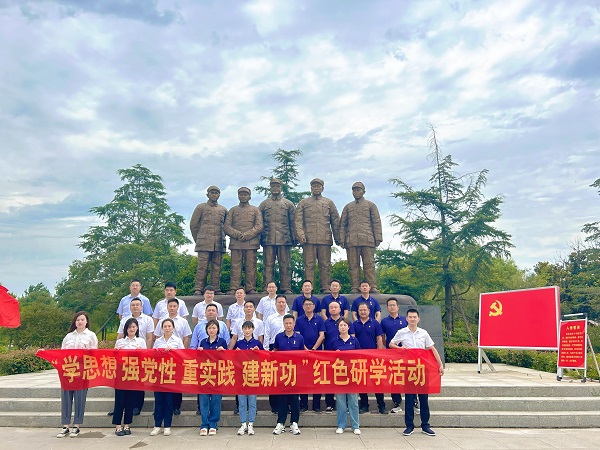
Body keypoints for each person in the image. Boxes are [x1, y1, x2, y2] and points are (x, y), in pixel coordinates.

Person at [390, 308, 445, 437]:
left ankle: (425, 425)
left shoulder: (423, 333)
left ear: (418, 319)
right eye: (410, 317)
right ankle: (409, 426)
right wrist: (400, 348)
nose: (412, 319)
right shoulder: (401, 332)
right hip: (409, 369)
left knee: (423, 398)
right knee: (409, 398)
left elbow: (432, 349)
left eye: (414, 317)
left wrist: (440, 364)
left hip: (422, 369)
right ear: (406, 319)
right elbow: (391, 344)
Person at [294, 178, 341, 293]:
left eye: (318, 186)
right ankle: (308, 289)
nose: (316, 188)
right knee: (308, 265)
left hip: (324, 239)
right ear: (311, 188)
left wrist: (338, 238)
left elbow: (335, 221)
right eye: (314, 186)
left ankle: (325, 287)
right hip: (308, 239)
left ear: (322, 188)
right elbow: (298, 221)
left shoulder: (328, 203)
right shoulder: (304, 203)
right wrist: (300, 235)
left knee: (325, 265)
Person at [57, 311, 98, 438]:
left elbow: (95, 354)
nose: (80, 322)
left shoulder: (91, 335)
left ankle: (77, 425)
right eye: (78, 320)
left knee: (80, 399)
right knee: (66, 398)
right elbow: (62, 353)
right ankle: (65, 426)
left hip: (82, 371)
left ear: (86, 321)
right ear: (75, 322)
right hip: (68, 371)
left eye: (82, 320)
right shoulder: (69, 336)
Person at [113, 297, 154, 416]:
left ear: (141, 307)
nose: (135, 307)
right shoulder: (124, 320)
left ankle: (137, 406)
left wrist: (146, 353)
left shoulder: (148, 319)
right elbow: (120, 335)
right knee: (122, 385)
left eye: (137, 305)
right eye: (133, 305)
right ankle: (119, 408)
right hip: (124, 361)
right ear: (130, 307)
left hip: (139, 355)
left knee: (138, 383)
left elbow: (149, 337)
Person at [339, 182, 383, 293]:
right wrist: (341, 239)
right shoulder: (348, 207)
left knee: (369, 264)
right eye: (354, 190)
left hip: (367, 239)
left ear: (364, 191)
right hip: (351, 240)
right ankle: (355, 286)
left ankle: (372, 286)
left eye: (358, 190)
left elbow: (376, 222)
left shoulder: (371, 205)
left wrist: (378, 237)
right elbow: (342, 224)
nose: (356, 192)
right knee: (353, 265)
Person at [154, 298, 192, 415]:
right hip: (161, 366)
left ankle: (176, 406)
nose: (172, 308)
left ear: (178, 307)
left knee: (176, 385)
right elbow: (156, 339)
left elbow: (186, 338)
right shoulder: (161, 321)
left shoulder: (183, 321)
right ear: (167, 307)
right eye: (170, 306)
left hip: (175, 363)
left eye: (174, 306)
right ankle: (160, 409)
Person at [190, 303, 230, 415]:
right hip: (203, 365)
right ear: (205, 312)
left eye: (213, 310)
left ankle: (214, 415)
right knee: (202, 389)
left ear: (217, 313)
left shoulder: (222, 325)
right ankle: (202, 410)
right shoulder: (198, 326)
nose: (211, 312)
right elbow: (193, 344)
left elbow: (226, 343)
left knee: (216, 391)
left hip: (217, 366)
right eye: (209, 310)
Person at [259, 178, 296, 294]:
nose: (275, 188)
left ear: (281, 188)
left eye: (277, 186)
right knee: (268, 265)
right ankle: (266, 288)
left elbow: (293, 223)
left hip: (284, 239)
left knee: (285, 265)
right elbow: (259, 223)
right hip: (268, 239)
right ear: (270, 188)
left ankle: (286, 287)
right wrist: (259, 239)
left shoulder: (288, 204)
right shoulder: (264, 204)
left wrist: (294, 238)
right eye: (273, 186)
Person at [224, 187, 263, 294]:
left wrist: (247, 235)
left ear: (249, 197)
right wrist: (237, 234)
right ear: (238, 196)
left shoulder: (255, 210)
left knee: (251, 267)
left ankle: (251, 288)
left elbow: (259, 226)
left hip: (251, 243)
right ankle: (234, 288)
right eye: (241, 194)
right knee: (235, 267)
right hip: (236, 243)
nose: (243, 196)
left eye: (245, 194)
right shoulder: (233, 210)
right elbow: (226, 226)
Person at [190, 185, 227, 295]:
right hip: (203, 242)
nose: (214, 195)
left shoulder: (223, 210)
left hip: (219, 243)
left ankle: (215, 288)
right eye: (212, 193)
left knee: (217, 267)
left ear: (219, 195)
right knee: (202, 267)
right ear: (207, 194)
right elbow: (193, 225)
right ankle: (199, 288)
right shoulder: (200, 207)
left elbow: (227, 226)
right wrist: (198, 239)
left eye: (216, 193)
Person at [150, 318, 185, 437]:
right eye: (165, 326)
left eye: (169, 326)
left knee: (169, 401)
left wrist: (173, 351)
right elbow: (152, 357)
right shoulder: (158, 341)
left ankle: (167, 426)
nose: (167, 328)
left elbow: (183, 356)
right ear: (162, 328)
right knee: (158, 401)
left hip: (171, 375)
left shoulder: (177, 340)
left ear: (173, 327)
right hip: (159, 375)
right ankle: (157, 425)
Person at [113, 317, 146, 436]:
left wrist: (141, 352)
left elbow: (145, 358)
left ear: (137, 328)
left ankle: (127, 424)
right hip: (121, 374)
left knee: (130, 400)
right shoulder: (120, 342)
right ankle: (118, 426)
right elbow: (114, 359)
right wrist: (116, 351)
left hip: (133, 374)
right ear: (125, 329)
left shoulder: (141, 342)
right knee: (119, 400)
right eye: (129, 327)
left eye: (133, 327)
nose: (131, 329)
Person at [272, 314, 304, 436]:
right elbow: (275, 352)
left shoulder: (299, 338)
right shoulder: (279, 337)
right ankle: (280, 423)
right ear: (283, 324)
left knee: (294, 399)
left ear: (294, 324)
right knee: (282, 399)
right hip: (282, 373)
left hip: (295, 373)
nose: (288, 325)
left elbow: (302, 355)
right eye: (286, 323)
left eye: (290, 323)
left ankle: (294, 423)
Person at [353, 302, 387, 414]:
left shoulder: (375, 323)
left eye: (365, 310)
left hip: (373, 357)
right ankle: (364, 405)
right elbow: (353, 339)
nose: (363, 312)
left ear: (369, 311)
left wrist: (379, 352)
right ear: (358, 312)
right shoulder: (354, 324)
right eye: (360, 310)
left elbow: (379, 338)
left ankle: (381, 405)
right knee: (362, 381)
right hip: (359, 357)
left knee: (377, 381)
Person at [294, 297, 325, 412]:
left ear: (314, 306)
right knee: (304, 379)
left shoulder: (320, 319)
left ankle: (316, 405)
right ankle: (304, 404)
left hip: (317, 353)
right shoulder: (299, 320)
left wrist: (314, 349)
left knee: (317, 379)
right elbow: (298, 336)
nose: (308, 306)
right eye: (306, 304)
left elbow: (322, 335)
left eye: (310, 304)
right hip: (303, 353)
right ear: (303, 307)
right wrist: (306, 349)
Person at [323, 301, 355, 413]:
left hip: (349, 364)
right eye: (331, 307)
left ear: (340, 309)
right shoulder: (326, 323)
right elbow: (323, 337)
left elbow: (357, 350)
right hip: (332, 357)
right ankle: (330, 404)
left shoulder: (347, 323)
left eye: (335, 307)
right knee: (331, 381)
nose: (333, 309)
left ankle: (349, 405)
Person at [197, 319, 227, 435]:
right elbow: (199, 359)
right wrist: (199, 352)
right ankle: (204, 424)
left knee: (215, 400)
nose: (211, 330)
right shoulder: (203, 342)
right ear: (206, 330)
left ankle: (213, 424)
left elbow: (226, 359)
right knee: (204, 400)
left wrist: (223, 351)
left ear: (217, 329)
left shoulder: (222, 342)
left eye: (214, 328)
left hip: (217, 375)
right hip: (204, 375)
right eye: (209, 328)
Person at [233, 320, 264, 435]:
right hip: (240, 376)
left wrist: (258, 352)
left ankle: (251, 424)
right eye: (245, 328)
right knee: (241, 402)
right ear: (242, 330)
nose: (247, 331)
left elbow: (264, 358)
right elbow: (232, 359)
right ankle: (243, 424)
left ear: (253, 329)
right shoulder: (238, 343)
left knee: (252, 401)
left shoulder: (257, 343)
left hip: (253, 375)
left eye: (249, 328)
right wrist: (235, 353)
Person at [333, 317, 361, 435]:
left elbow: (360, 356)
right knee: (340, 402)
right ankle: (341, 425)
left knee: (353, 401)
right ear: (338, 327)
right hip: (339, 375)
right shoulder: (334, 341)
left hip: (352, 374)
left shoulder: (354, 340)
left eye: (345, 325)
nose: (343, 327)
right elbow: (328, 358)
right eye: (341, 325)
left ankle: (355, 426)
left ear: (349, 327)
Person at [380, 297, 408, 413]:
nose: (392, 307)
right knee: (394, 377)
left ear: (398, 307)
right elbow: (382, 337)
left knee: (408, 376)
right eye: (390, 305)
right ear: (387, 308)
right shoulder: (384, 321)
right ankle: (397, 402)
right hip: (391, 353)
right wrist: (388, 346)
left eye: (394, 305)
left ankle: (414, 402)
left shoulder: (405, 320)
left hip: (406, 352)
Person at [263, 294, 290, 414]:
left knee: (287, 377)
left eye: (283, 302)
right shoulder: (270, 318)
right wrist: (266, 350)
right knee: (274, 377)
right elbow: (267, 334)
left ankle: (287, 405)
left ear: (286, 304)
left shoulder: (289, 317)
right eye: (279, 302)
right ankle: (274, 406)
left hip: (288, 348)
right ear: (275, 304)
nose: (281, 304)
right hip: (274, 348)